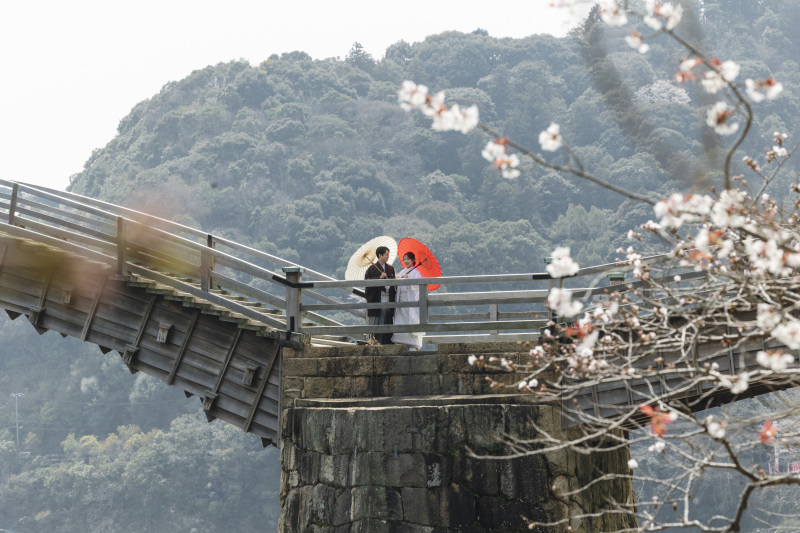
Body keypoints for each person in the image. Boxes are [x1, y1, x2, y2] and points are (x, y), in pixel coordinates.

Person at [391, 252, 424, 350]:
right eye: (404, 259)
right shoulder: (403, 271)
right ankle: (401, 344)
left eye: (408, 259)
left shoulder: (417, 272)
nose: (406, 261)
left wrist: (408, 279)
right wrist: (400, 278)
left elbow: (418, 285)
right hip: (401, 301)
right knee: (401, 321)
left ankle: (413, 345)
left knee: (412, 321)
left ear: (413, 260)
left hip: (411, 300)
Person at [364, 246, 396, 344]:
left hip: (388, 297)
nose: (388, 257)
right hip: (377, 297)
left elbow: (394, 282)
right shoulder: (372, 268)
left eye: (388, 255)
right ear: (380, 255)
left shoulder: (390, 268)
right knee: (377, 319)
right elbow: (367, 282)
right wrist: (379, 278)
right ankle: (375, 341)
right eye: (386, 254)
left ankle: (388, 340)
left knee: (388, 319)